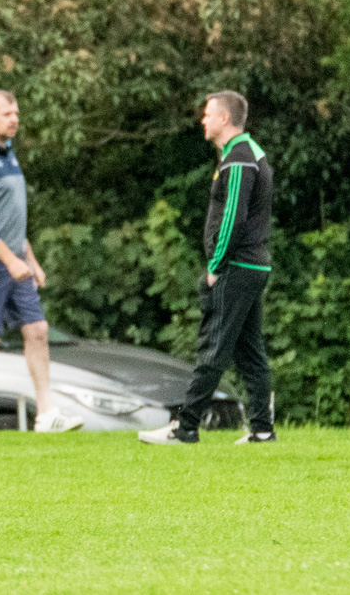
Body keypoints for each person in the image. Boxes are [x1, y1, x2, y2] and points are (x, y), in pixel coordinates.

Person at [138, 90, 275, 446]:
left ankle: (185, 428)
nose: (203, 120)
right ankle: (262, 429)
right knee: (250, 351)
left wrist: (216, 265)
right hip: (252, 266)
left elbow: (233, 217)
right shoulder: (246, 153)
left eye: (208, 114)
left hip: (236, 266)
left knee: (213, 347)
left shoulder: (239, 160)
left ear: (225, 119)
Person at [0, 90, 83, 434]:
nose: (14, 119)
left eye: (16, 113)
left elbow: (12, 217)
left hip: (16, 262)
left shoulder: (9, 155)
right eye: (7, 113)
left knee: (38, 331)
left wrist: (30, 259)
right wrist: (10, 260)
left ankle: (46, 414)